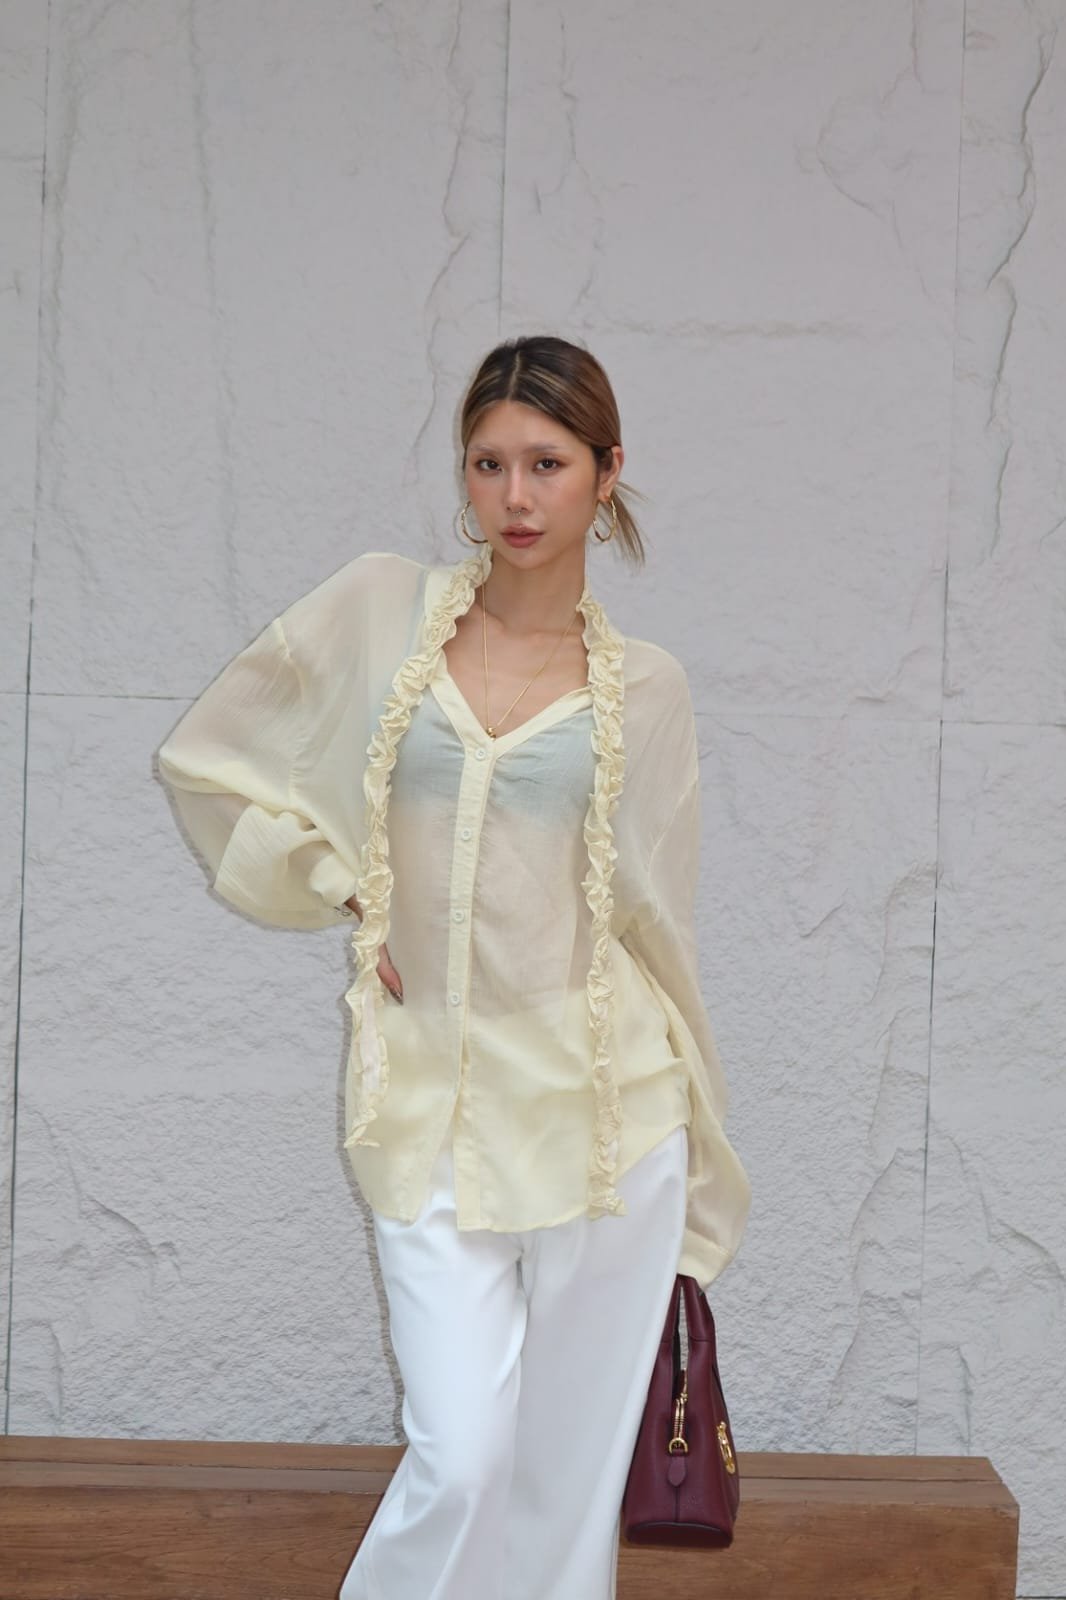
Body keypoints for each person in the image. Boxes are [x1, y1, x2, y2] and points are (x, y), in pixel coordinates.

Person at [156, 334, 752, 1599]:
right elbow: (209, 760)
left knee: (562, 1496)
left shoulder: (646, 690)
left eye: (547, 463)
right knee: (463, 1461)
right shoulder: (384, 615)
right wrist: (345, 885)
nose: (515, 497)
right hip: (427, 1107)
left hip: (603, 1124)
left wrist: (702, 1146)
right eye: (488, 464)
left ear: (607, 472)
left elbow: (660, 925)